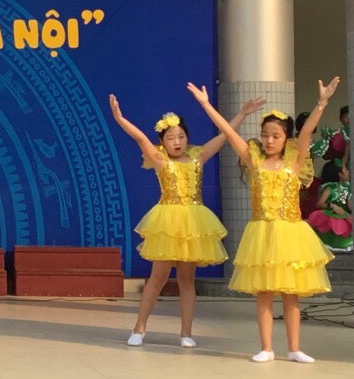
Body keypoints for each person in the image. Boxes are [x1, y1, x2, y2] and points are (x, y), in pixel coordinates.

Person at [189, 79, 338, 363]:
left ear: (285, 138)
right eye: (265, 135)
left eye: (275, 136)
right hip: (262, 234)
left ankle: (294, 348)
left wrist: (322, 103)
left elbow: (307, 131)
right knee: (264, 293)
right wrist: (206, 104)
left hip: (291, 234)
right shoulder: (253, 160)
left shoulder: (295, 161)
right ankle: (267, 348)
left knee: (291, 293)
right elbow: (228, 132)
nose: (269, 141)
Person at [110, 94, 264, 348]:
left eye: (181, 136)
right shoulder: (160, 160)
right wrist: (119, 118)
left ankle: (186, 333)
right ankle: (139, 328)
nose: (177, 142)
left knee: (186, 280)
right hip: (168, 223)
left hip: (194, 223)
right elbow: (140, 138)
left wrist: (242, 114)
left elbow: (224, 136)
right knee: (157, 278)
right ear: (162, 142)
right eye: (170, 138)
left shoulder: (197, 157)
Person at [307, 160, 352, 252]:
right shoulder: (330, 188)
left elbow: (349, 204)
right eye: (346, 170)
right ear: (340, 174)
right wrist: (332, 206)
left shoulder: (348, 186)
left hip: (345, 216)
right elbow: (319, 203)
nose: (348, 171)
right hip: (331, 216)